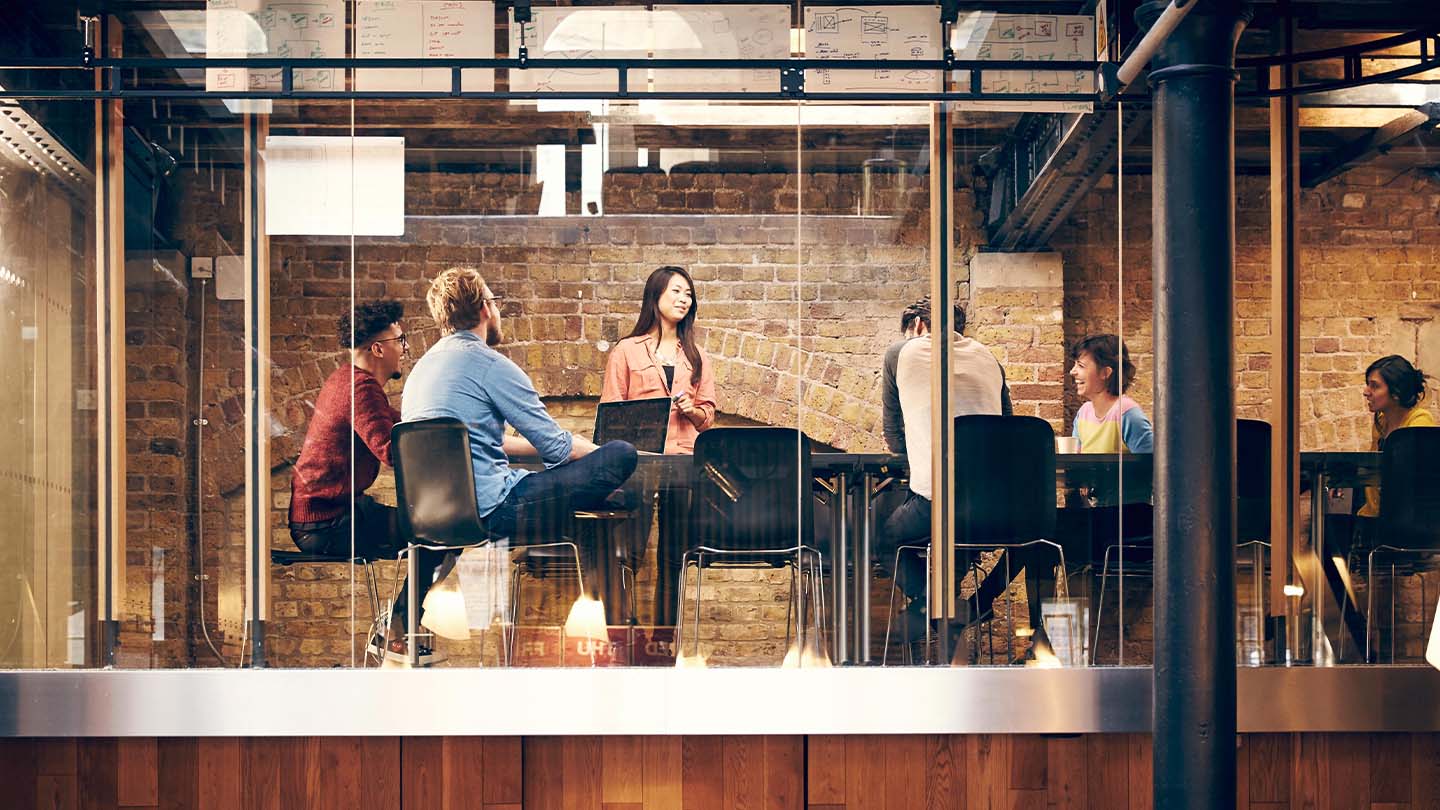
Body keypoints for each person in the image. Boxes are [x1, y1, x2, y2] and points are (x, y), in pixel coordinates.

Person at [401, 266, 638, 561]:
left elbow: (472, 443)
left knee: (596, 498)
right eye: (495, 300)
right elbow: (557, 449)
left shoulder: (421, 371)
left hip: (432, 513)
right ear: (485, 308)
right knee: (621, 455)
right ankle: (602, 595)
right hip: (493, 511)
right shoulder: (489, 365)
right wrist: (595, 451)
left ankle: (403, 608)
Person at [288, 301, 447, 664]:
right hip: (326, 523)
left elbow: (404, 422)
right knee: (441, 533)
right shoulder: (359, 388)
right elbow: (392, 450)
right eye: (401, 340)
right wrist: (448, 454)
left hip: (335, 512)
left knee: (433, 531)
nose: (405, 348)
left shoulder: (350, 380)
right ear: (378, 348)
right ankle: (395, 631)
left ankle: (396, 629)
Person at [876, 296, 1012, 650]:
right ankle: (970, 606)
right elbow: (1008, 430)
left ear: (919, 326)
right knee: (963, 535)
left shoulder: (898, 354)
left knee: (884, 538)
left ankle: (929, 608)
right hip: (994, 505)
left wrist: (922, 462)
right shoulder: (990, 359)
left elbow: (893, 434)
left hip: (937, 502)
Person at [601, 265, 717, 453]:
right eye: (676, 291)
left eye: (688, 295)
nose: (684, 300)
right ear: (656, 295)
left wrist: (691, 411)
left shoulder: (698, 355)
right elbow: (610, 416)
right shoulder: (626, 350)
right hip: (640, 458)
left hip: (686, 458)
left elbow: (707, 420)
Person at [1357, 354, 1434, 518]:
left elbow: (1411, 482)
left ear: (1396, 393)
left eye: (1374, 386)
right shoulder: (1381, 423)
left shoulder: (1420, 422)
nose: (1366, 392)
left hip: (1404, 522)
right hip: (1372, 517)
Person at [1068, 334, 1153, 454]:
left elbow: (1151, 465)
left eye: (1081, 365)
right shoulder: (1083, 413)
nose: (1072, 371)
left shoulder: (1127, 414)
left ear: (1105, 372)